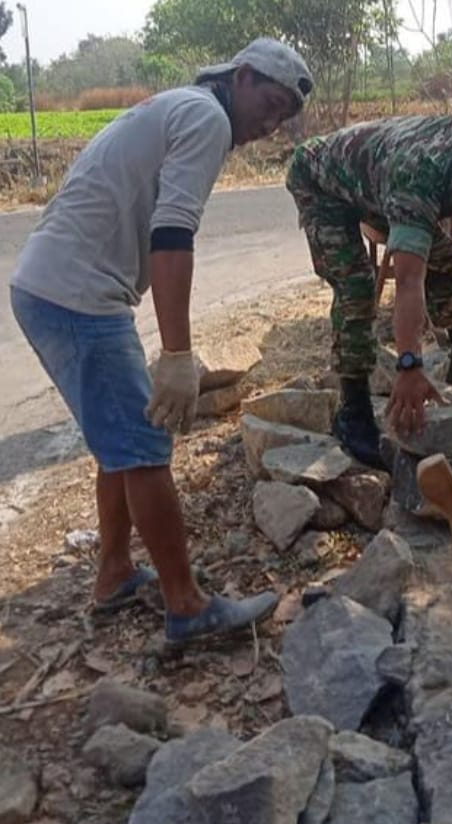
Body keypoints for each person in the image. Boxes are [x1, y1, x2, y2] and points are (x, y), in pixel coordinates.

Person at [9, 38, 313, 649]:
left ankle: (115, 573)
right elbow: (172, 234)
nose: (270, 123)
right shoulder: (204, 117)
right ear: (242, 75)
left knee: (117, 439)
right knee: (145, 444)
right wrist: (177, 353)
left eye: (283, 116)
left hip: (51, 285)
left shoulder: (182, 106)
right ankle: (186, 605)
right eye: (270, 103)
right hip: (77, 295)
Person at [286, 115, 452, 470]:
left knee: (445, 259)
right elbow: (407, 282)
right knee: (356, 286)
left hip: (379, 176)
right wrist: (409, 366)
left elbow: (447, 178)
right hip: (321, 183)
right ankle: (353, 410)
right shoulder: (415, 181)